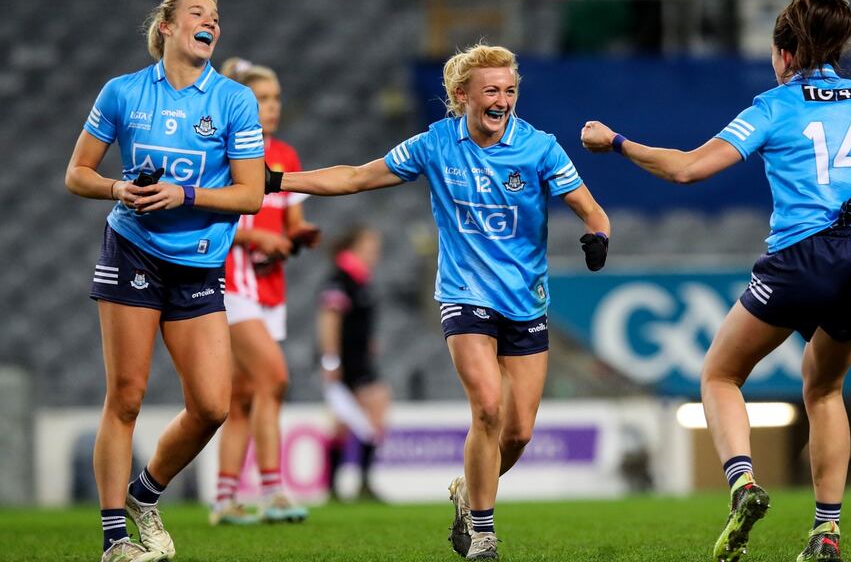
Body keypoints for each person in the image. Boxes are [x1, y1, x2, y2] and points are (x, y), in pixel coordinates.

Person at [580, 0, 851, 561]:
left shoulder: (772, 106)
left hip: (803, 256)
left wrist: (615, 142)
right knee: (826, 388)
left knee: (720, 374)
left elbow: (687, 169)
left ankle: (742, 482)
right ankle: (826, 532)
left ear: (785, 53)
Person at [265, 43, 612, 559]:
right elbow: (357, 176)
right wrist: (276, 181)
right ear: (461, 95)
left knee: (516, 434)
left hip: (525, 302)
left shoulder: (540, 148)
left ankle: (467, 494)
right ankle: (484, 533)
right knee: (488, 408)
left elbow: (592, 210)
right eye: (491, 90)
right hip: (464, 294)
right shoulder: (435, 144)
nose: (502, 100)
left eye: (510, 90)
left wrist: (598, 236)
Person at [64, 0, 266, 561]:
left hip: (198, 261)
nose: (211, 24)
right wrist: (116, 187)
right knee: (125, 396)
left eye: (217, 18)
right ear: (167, 27)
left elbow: (251, 195)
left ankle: (143, 494)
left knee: (212, 405)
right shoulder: (123, 92)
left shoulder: (233, 100)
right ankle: (113, 540)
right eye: (199, 14)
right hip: (133, 248)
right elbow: (77, 173)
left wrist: (186, 193)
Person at [208, 58, 320, 526]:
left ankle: (225, 499)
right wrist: (255, 238)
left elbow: (290, 222)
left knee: (243, 398)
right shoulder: (222, 151)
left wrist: (299, 235)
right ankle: (273, 490)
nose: (271, 108)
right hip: (232, 282)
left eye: (275, 99)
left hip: (270, 285)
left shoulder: (285, 157)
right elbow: (205, 215)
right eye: (261, 99)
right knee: (274, 378)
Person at [318, 225, 390, 502]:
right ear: (353, 248)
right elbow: (329, 320)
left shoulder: (360, 280)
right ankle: (352, 484)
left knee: (358, 419)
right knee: (353, 420)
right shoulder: (340, 279)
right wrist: (331, 359)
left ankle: (351, 484)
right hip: (345, 363)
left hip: (359, 359)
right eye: (369, 247)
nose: (375, 253)